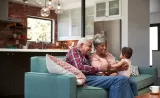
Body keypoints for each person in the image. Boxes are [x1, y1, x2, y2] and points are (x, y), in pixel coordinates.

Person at [66, 37, 134, 98]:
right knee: (120, 79)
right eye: (89, 46)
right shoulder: (74, 51)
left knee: (122, 80)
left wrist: (118, 68)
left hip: (93, 76)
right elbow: (80, 67)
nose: (90, 49)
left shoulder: (86, 55)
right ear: (81, 45)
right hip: (85, 78)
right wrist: (100, 69)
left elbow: (94, 69)